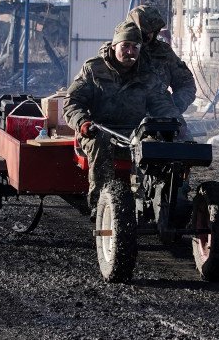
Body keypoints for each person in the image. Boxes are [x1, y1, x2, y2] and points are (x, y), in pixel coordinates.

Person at [65, 21, 182, 209]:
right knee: (100, 142)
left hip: (135, 132)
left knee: (153, 147)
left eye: (135, 47)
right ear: (114, 46)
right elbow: (72, 102)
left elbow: (161, 103)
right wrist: (83, 123)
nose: (130, 52)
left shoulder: (148, 73)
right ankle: (100, 204)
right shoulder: (93, 69)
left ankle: (147, 203)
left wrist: (176, 125)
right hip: (98, 129)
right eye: (125, 46)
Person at [117, 5, 197, 114]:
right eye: (144, 32)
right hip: (121, 119)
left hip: (157, 119)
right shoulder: (118, 51)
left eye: (152, 31)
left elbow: (186, 84)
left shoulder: (164, 53)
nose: (148, 36)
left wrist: (172, 107)